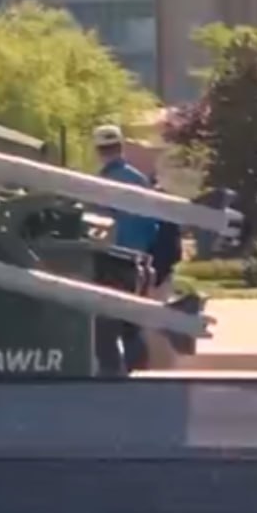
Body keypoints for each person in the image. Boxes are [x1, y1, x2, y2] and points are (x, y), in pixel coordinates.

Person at [92, 124, 160, 376]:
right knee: (130, 322)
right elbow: (152, 225)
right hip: (137, 261)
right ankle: (135, 370)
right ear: (121, 147)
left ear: (98, 151)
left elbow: (95, 225)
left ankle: (112, 374)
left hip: (109, 261)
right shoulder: (139, 180)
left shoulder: (98, 183)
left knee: (105, 323)